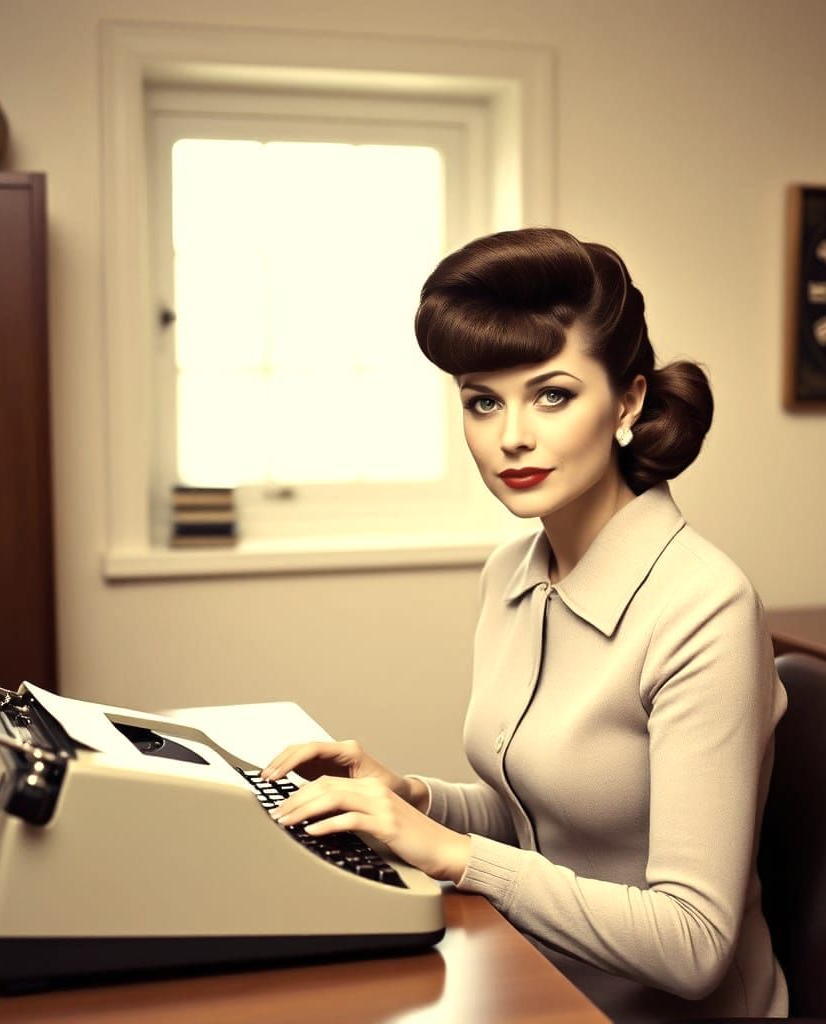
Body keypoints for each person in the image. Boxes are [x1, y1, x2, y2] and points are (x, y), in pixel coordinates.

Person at [261, 227, 789, 1023]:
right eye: (483, 401)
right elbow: (537, 817)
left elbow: (693, 945)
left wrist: (455, 856)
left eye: (552, 395)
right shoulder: (510, 571)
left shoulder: (704, 608)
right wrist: (410, 798)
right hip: (530, 981)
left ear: (629, 400)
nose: (511, 436)